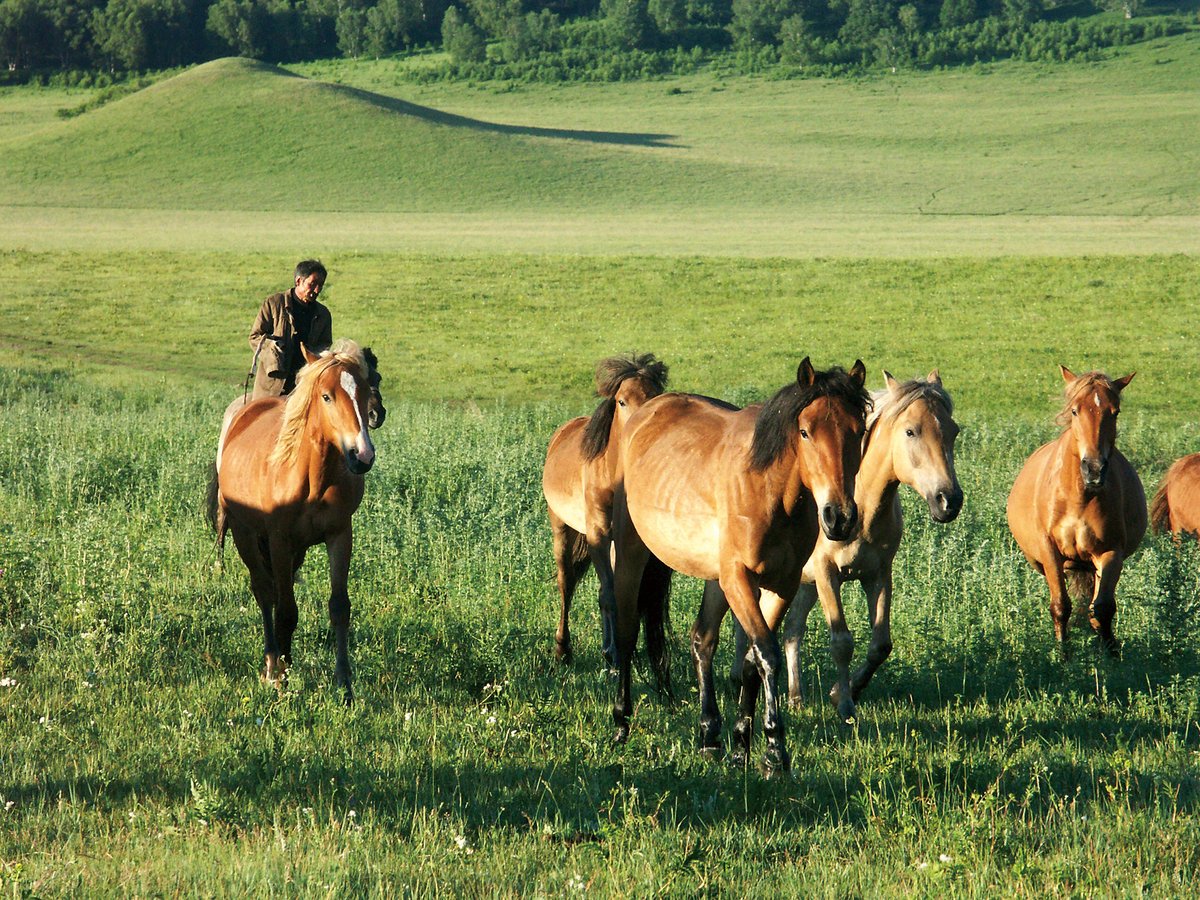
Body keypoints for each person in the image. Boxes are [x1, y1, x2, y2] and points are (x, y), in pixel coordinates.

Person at [248, 259, 333, 399]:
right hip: (271, 386)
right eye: (312, 284)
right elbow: (255, 337)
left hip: (304, 386)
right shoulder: (274, 303)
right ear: (299, 281)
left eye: (320, 286)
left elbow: (325, 346)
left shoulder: (323, 314)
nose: (317, 290)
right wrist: (272, 347)